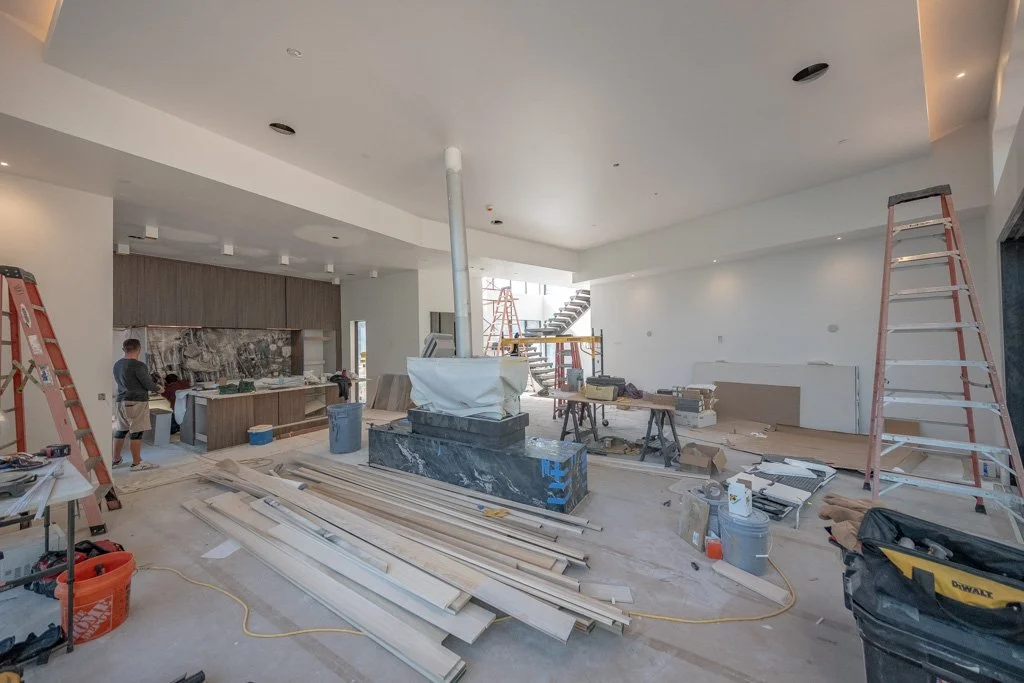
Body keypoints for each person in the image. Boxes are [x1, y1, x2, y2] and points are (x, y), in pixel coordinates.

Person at [112, 339, 161, 471]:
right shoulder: (139, 366)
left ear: (124, 349)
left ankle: (115, 460)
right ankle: (137, 463)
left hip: (121, 401)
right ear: (139, 349)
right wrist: (159, 388)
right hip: (136, 402)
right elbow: (148, 384)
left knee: (121, 431)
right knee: (136, 432)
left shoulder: (117, 364)